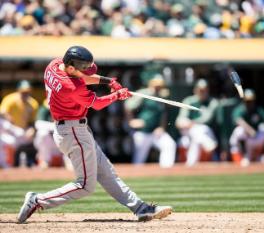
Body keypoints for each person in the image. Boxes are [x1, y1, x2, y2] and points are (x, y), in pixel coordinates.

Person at [17, 46, 172, 223]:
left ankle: (140, 208)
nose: (86, 72)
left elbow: (82, 76)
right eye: (83, 69)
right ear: (70, 68)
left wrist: (109, 82)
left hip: (72, 129)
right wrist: (117, 95)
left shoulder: (54, 64)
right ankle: (37, 201)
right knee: (85, 186)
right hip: (73, 132)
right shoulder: (71, 87)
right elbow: (97, 104)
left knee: (107, 172)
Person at [125, 75, 176, 168]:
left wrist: (161, 127)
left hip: (155, 132)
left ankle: (166, 171)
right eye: (156, 85)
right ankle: (136, 175)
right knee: (139, 159)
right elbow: (128, 106)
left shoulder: (161, 97)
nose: (157, 87)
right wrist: (131, 121)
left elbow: (163, 115)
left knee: (169, 144)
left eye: (160, 85)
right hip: (142, 131)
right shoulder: (143, 94)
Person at [229, 89, 264, 166]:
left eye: (251, 101)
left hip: (256, 137)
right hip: (247, 139)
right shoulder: (240, 110)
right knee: (238, 131)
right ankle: (243, 158)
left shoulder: (258, 110)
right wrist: (249, 130)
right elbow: (239, 121)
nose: (249, 103)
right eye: (247, 101)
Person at [175, 79, 218, 166]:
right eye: (200, 90)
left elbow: (207, 119)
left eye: (204, 90)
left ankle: (191, 163)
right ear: (195, 90)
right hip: (189, 130)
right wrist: (186, 123)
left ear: (208, 90)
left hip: (206, 131)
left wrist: (192, 123)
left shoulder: (212, 102)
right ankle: (207, 143)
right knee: (194, 131)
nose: (202, 92)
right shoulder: (189, 101)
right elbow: (180, 119)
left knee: (198, 131)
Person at [0, 80, 39, 167]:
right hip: (10, 129)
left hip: (23, 131)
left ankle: (23, 160)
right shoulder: (10, 99)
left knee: (32, 133)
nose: (25, 93)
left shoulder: (33, 103)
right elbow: (2, 112)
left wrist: (32, 129)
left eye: (27, 91)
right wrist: (7, 117)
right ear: (18, 90)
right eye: (23, 91)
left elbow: (33, 122)